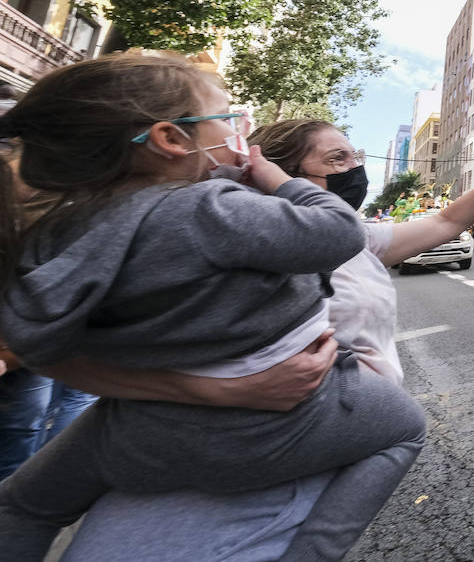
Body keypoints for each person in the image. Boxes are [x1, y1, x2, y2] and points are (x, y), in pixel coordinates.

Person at [41, 117, 474, 561]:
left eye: (354, 157)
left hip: (333, 443)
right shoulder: (240, 246)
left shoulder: (351, 236)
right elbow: (70, 348)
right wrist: (223, 392)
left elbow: (447, 219)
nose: (354, 169)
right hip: (254, 454)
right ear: (286, 177)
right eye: (337, 159)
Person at [0, 55, 430, 562]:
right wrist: (276, 180)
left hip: (137, 429)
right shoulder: (207, 207)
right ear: (172, 138)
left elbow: (33, 343)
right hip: (287, 416)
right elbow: (338, 233)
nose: (235, 132)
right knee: (405, 427)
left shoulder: (53, 233)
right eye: (226, 118)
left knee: (21, 504)